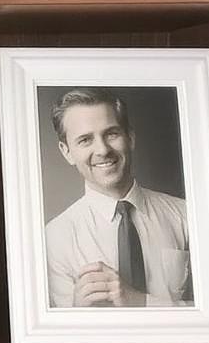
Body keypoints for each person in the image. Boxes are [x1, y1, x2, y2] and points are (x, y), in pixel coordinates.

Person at [44, 88, 191, 308]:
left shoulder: (186, 214)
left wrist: (139, 301)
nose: (102, 150)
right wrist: (74, 314)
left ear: (130, 138)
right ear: (67, 152)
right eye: (85, 140)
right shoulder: (54, 239)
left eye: (111, 133)